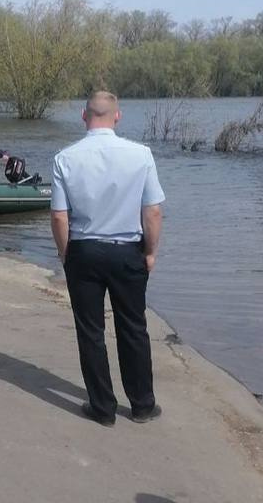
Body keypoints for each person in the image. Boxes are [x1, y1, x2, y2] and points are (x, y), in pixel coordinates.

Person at [50, 91, 165, 427]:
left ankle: (103, 408)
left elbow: (59, 217)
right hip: (127, 248)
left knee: (91, 331)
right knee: (133, 326)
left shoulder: (64, 158)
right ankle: (142, 404)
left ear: (85, 116)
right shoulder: (140, 155)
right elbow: (153, 212)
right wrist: (151, 252)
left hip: (84, 250)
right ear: (118, 116)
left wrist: (64, 252)